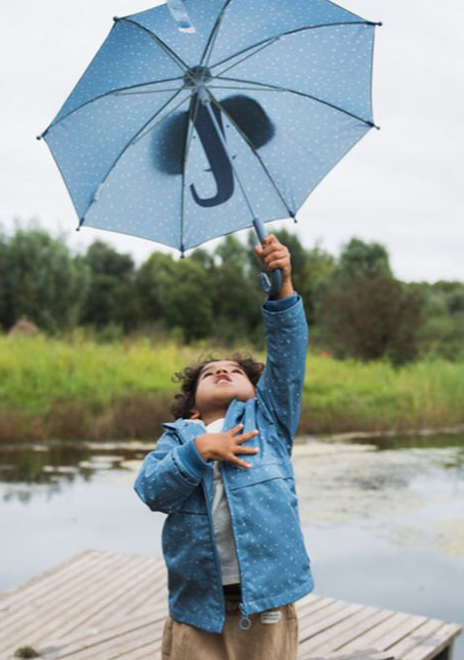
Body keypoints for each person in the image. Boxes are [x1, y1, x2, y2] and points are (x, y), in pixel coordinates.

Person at [134, 234, 313, 660]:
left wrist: (281, 287)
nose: (222, 371)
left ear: (256, 391)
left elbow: (288, 356)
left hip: (266, 601)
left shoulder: (268, 419)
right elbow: (151, 491)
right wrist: (198, 451)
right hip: (198, 611)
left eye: (235, 371)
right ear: (192, 407)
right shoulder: (177, 437)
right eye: (210, 372)